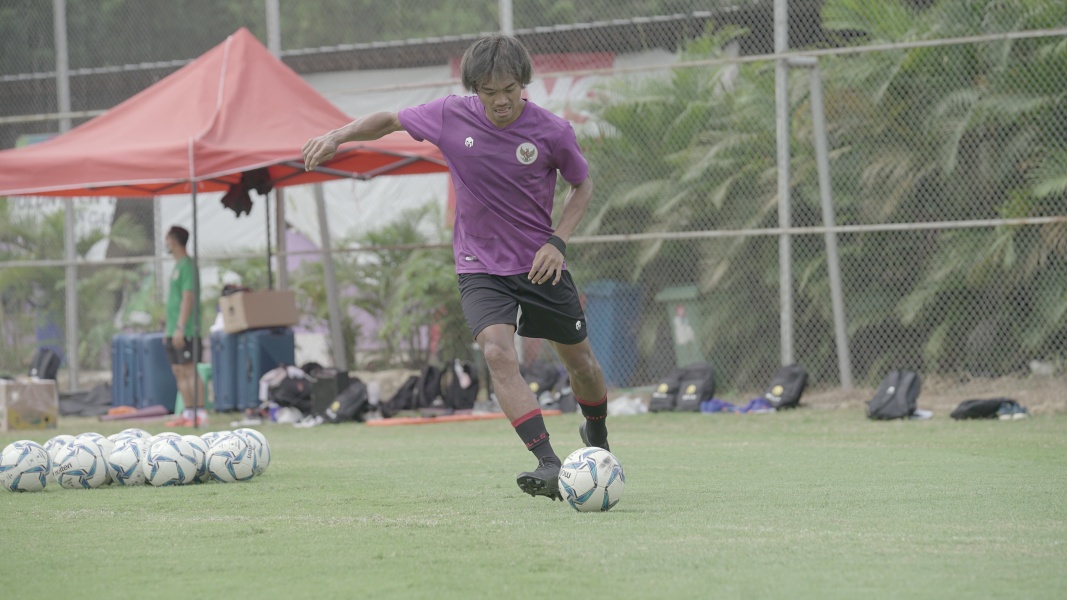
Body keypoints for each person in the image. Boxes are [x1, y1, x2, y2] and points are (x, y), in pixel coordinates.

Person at [302, 33, 611, 501]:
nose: (501, 100)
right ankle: (547, 462)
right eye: (489, 92)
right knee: (496, 353)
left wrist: (558, 242)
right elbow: (388, 119)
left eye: (509, 89)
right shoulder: (450, 114)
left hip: (539, 264)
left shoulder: (552, 131)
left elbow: (581, 186)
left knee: (581, 364)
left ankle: (597, 435)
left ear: (522, 84)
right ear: (475, 90)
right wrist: (337, 135)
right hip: (478, 264)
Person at [162, 225, 204, 427]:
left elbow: (188, 298)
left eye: (168, 238)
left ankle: (200, 414)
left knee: (189, 370)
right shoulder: (177, 267)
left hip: (185, 331)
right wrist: (169, 330)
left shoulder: (188, 265)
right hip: (173, 330)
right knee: (178, 370)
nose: (165, 242)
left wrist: (180, 327)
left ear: (175, 241)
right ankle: (188, 413)